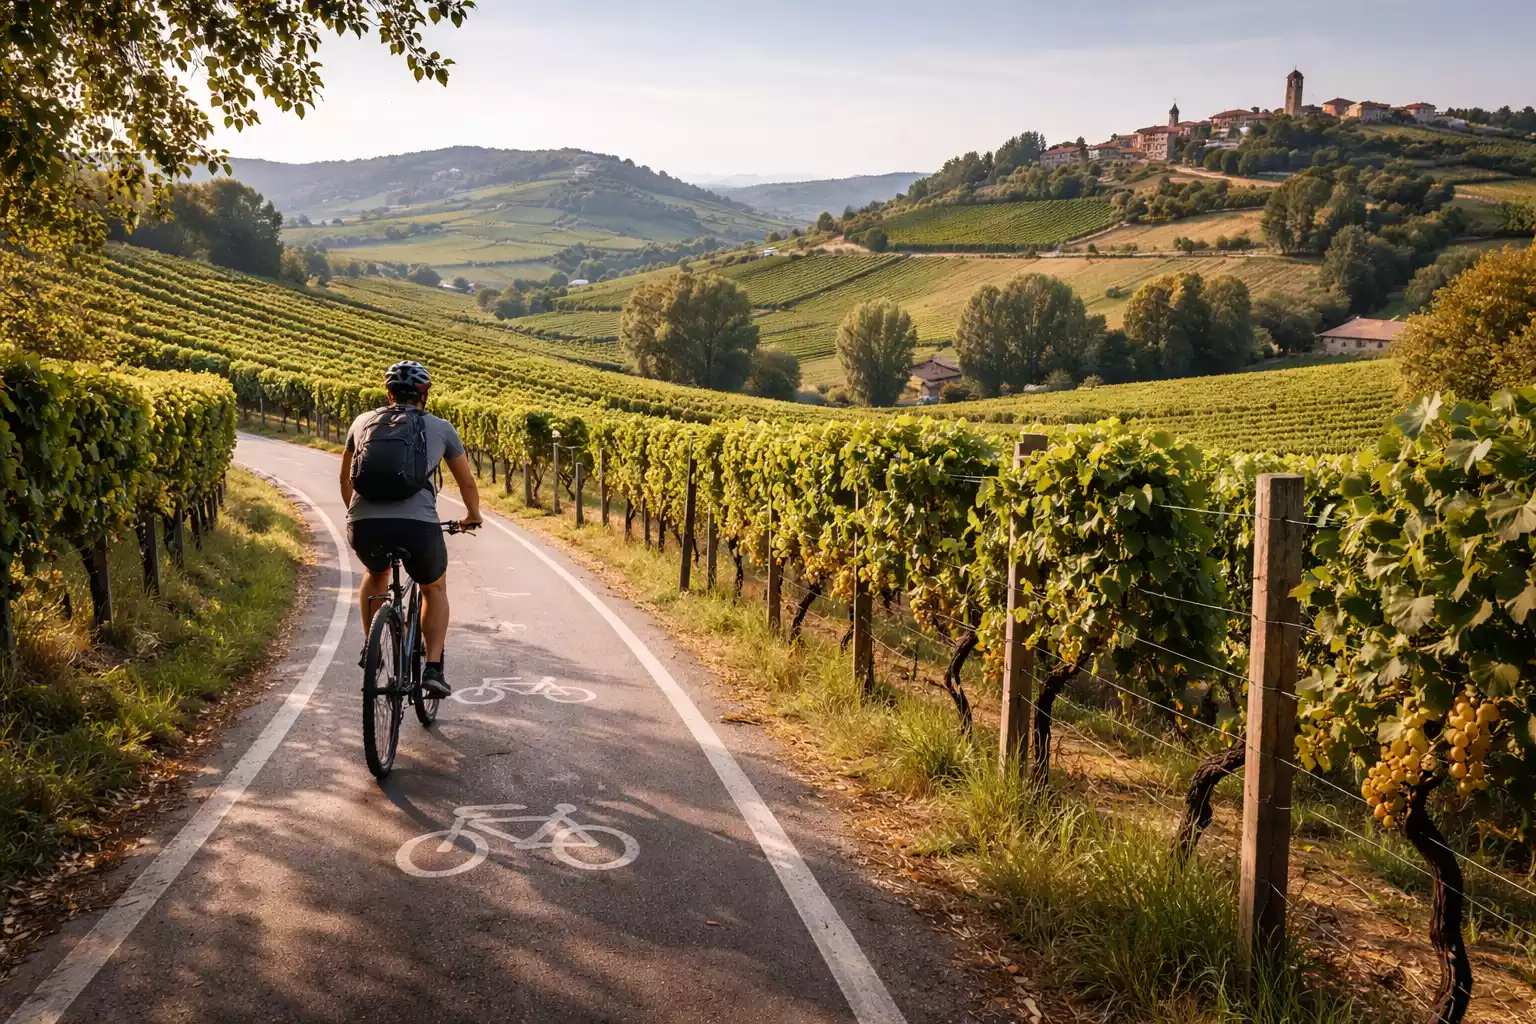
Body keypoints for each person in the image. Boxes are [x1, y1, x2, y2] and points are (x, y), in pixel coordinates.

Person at [340, 361, 481, 697]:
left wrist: (356, 515)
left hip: (365, 525)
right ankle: (432, 669)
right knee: (434, 587)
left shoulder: (362, 422)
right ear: (424, 395)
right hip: (417, 526)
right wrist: (471, 515)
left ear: (388, 393)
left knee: (376, 575)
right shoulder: (441, 427)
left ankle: (370, 648)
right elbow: (467, 484)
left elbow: (346, 480)